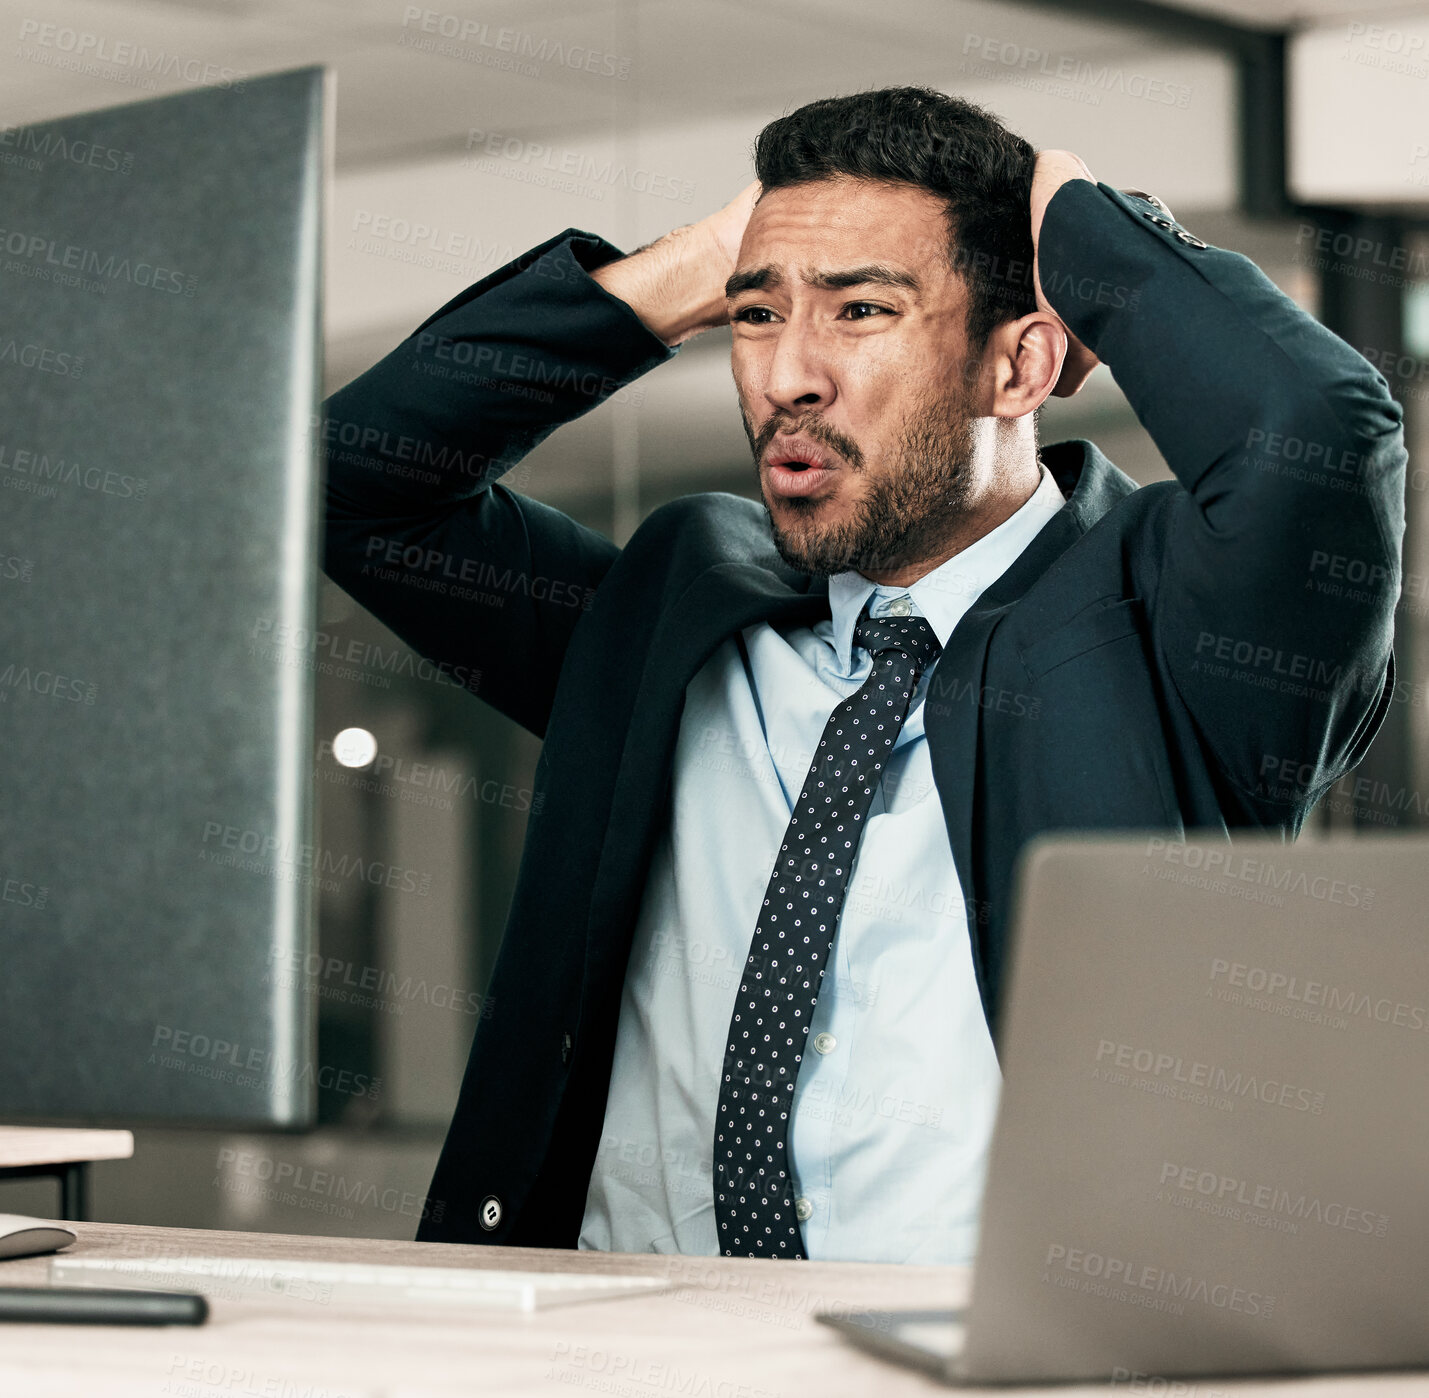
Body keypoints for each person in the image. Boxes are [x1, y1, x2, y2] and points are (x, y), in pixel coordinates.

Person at [320, 86, 1405, 1261]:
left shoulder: (1174, 640)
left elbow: (1316, 430)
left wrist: (1079, 217)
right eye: (755, 315)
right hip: (613, 1337)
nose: (787, 373)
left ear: (1021, 366)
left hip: (982, 1368)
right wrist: (691, 269)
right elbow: (349, 481)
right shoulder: (670, 615)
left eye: (860, 310)